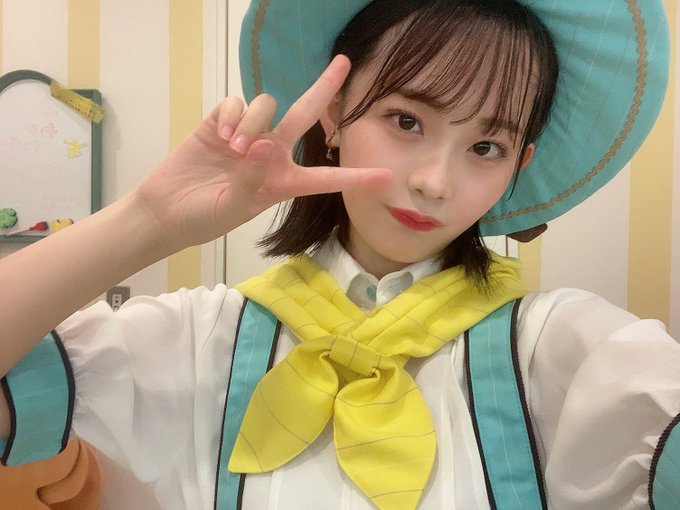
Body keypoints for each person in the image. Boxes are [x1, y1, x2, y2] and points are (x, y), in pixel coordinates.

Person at [0, 0, 677, 509]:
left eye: (485, 147)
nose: (435, 182)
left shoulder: (558, 351)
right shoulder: (200, 340)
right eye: (406, 120)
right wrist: (147, 221)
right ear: (334, 113)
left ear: (518, 165)